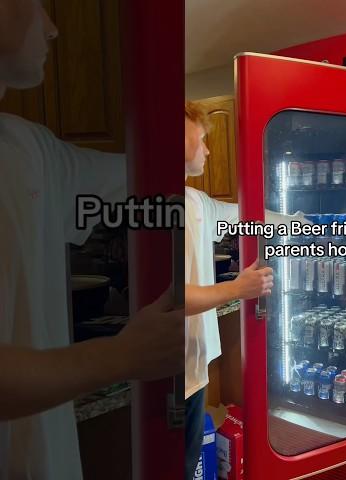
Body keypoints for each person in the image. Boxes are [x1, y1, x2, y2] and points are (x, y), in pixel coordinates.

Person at [0, 1, 183, 478]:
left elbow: (142, 175)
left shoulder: (27, 147)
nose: (54, 28)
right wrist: (122, 355)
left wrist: (185, 150)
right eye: (37, 4)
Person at [184, 102, 309, 479]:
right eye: (202, 139)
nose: (207, 149)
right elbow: (171, 299)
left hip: (193, 364)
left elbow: (245, 214)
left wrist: (293, 222)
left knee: (187, 459)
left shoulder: (194, 201)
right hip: (170, 367)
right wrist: (238, 288)